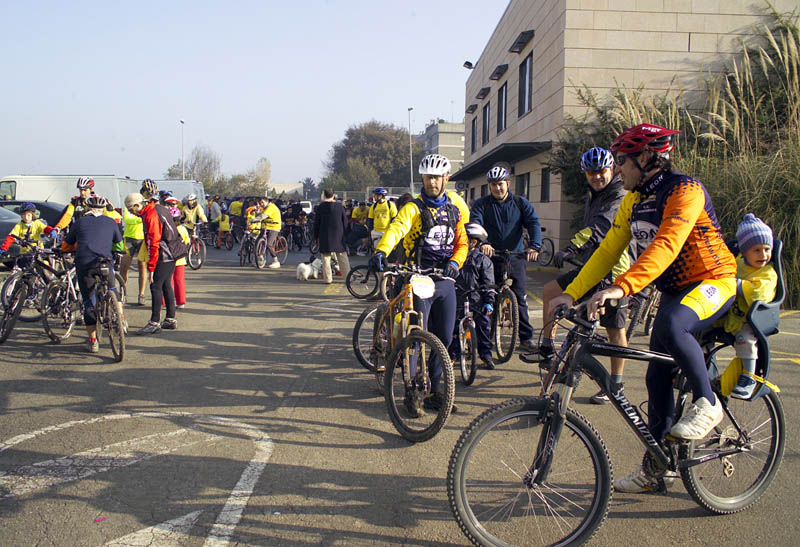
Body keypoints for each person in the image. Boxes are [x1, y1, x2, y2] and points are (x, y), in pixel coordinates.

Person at [548, 123, 737, 493]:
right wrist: (574, 292)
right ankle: (658, 468)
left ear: (646, 158)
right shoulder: (635, 200)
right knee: (655, 378)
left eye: (622, 161)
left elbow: (665, 246)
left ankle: (707, 402)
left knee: (670, 324)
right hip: (676, 290)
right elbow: (607, 251)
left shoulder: (686, 191)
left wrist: (621, 287)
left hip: (714, 281)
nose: (617, 169)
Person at [522, 147, 631, 404]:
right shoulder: (594, 193)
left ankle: (615, 385)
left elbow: (598, 229)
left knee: (615, 330)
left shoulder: (618, 194)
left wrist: (571, 247)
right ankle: (547, 348)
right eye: (591, 172)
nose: (596, 176)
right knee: (551, 291)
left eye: (601, 171)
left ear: (613, 168)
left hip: (614, 271)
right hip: (590, 265)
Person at [369, 154, 468, 414]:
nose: (432, 182)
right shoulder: (413, 207)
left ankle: (435, 390)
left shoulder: (454, 210)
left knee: (444, 338)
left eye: (436, 177)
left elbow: (462, 243)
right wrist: (382, 251)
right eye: (427, 177)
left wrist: (456, 263)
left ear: (446, 178)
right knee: (416, 337)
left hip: (444, 280)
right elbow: (397, 228)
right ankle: (413, 391)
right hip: (418, 277)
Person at [470, 162, 542, 353]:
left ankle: (526, 338)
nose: (497, 187)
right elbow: (475, 223)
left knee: (520, 298)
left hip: (515, 256)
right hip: (490, 257)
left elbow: (533, 223)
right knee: (487, 297)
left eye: (501, 183)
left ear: (508, 184)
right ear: (489, 186)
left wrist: (534, 246)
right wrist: (483, 242)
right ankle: (484, 339)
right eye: (493, 184)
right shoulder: (482, 204)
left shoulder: (520, 203)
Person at [717, 214, 778, 399]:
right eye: (756, 250)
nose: (763, 255)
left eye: (767, 249)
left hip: (753, 320)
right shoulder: (738, 264)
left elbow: (761, 294)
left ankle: (749, 376)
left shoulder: (767, 272)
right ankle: (698, 365)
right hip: (732, 315)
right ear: (744, 251)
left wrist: (739, 285)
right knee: (701, 330)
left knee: (746, 339)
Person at [60, 195, 125, 353]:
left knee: (89, 302)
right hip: (105, 262)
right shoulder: (111, 222)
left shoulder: (80, 222)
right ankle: (120, 317)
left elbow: (66, 246)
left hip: (85, 264)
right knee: (112, 289)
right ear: (103, 209)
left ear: (87, 208)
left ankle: (93, 340)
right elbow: (119, 244)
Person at [130, 192, 183, 335]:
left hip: (164, 254)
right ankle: (170, 318)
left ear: (137, 205)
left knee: (155, 286)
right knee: (166, 285)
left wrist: (151, 267)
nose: (132, 213)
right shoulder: (159, 208)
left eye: (131, 210)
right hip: (173, 251)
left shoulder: (150, 215)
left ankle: (154, 322)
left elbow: (153, 242)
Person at [451, 222, 497, 369]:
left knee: (483, 326)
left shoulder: (483, 261)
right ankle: (452, 355)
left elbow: (489, 284)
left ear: (474, 242)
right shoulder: (454, 258)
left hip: (477, 300)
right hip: (457, 299)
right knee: (453, 328)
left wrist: (489, 301)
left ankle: (486, 356)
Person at [313, 188, 351, 284]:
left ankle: (328, 279)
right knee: (342, 257)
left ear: (324, 196)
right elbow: (345, 222)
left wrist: (315, 236)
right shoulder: (339, 207)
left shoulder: (320, 207)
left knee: (326, 259)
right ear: (333, 195)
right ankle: (347, 277)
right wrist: (346, 234)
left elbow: (316, 223)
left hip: (325, 236)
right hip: (339, 235)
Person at [120, 195, 148, 306]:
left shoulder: (142, 207)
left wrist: (138, 218)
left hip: (142, 238)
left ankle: (141, 295)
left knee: (142, 267)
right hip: (129, 238)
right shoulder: (129, 206)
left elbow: (137, 218)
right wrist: (140, 219)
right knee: (124, 267)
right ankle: (123, 293)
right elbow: (128, 219)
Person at [245, 197, 282, 268]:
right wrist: (256, 211)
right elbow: (259, 215)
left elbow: (263, 216)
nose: (261, 204)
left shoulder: (271, 207)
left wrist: (252, 220)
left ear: (267, 201)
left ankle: (276, 261)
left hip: (274, 227)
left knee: (269, 244)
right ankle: (260, 258)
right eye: (259, 203)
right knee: (257, 241)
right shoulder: (264, 208)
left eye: (262, 202)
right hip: (265, 226)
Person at [170, 206, 191, 309]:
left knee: (167, 281)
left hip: (168, 258)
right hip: (180, 258)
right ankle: (181, 301)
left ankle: (165, 301)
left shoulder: (167, 228)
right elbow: (187, 242)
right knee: (179, 281)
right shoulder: (182, 229)